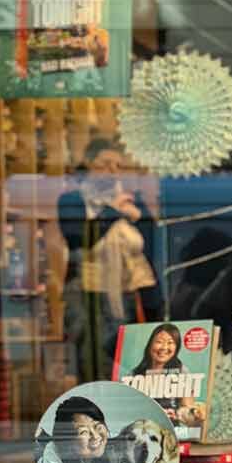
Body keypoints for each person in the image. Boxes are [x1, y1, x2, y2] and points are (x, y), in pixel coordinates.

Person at [57, 137, 162, 382]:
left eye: (118, 165)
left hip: (129, 294)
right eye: (105, 163)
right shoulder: (72, 200)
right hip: (88, 295)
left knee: (130, 366)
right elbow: (79, 239)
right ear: (89, 164)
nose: (112, 170)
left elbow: (151, 251)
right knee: (92, 364)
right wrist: (115, 211)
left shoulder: (132, 201)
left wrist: (155, 302)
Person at [124, 323, 202, 428]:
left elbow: (188, 410)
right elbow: (126, 410)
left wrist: (180, 414)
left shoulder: (181, 372)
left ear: (177, 347)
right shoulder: (134, 375)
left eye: (170, 342)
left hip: (170, 430)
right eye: (159, 342)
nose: (164, 347)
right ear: (150, 345)